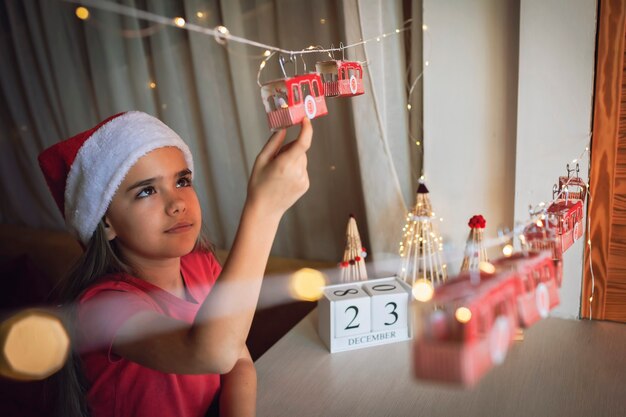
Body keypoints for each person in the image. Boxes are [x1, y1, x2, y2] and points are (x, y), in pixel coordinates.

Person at [37, 111, 312, 417]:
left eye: (182, 181)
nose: (177, 203)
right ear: (105, 223)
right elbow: (213, 353)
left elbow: (237, 359)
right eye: (146, 191)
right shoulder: (102, 306)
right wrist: (264, 210)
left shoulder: (201, 265)